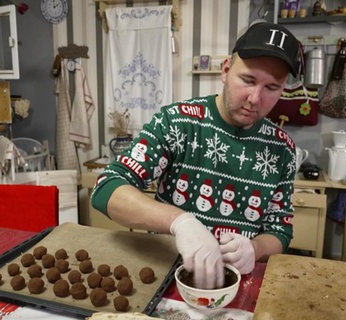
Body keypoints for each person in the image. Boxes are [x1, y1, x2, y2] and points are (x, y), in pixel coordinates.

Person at [91, 22, 300, 290]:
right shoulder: (177, 122)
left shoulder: (282, 149)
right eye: (247, 80)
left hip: (237, 286)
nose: (254, 99)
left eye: (272, 88)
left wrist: (255, 248)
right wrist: (181, 222)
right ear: (226, 70)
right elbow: (106, 187)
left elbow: (280, 231)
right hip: (165, 281)